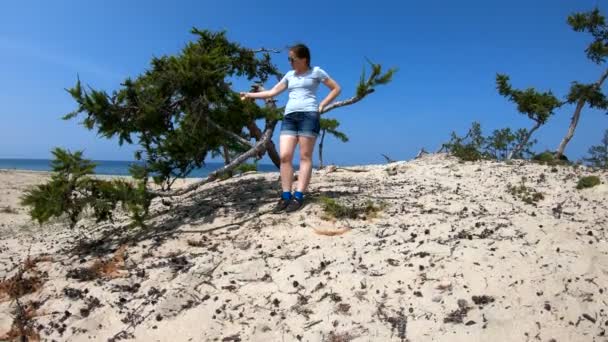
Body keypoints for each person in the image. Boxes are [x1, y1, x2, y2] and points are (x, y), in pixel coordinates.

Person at [240, 43, 341, 213]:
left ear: (304, 59)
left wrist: (322, 105)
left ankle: (299, 195)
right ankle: (286, 195)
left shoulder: (316, 72)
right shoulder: (289, 75)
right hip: (290, 117)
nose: (289, 62)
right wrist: (250, 95)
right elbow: (272, 92)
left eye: (292, 58)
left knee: (305, 156)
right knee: (285, 156)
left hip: (309, 115)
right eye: (289, 59)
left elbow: (336, 88)